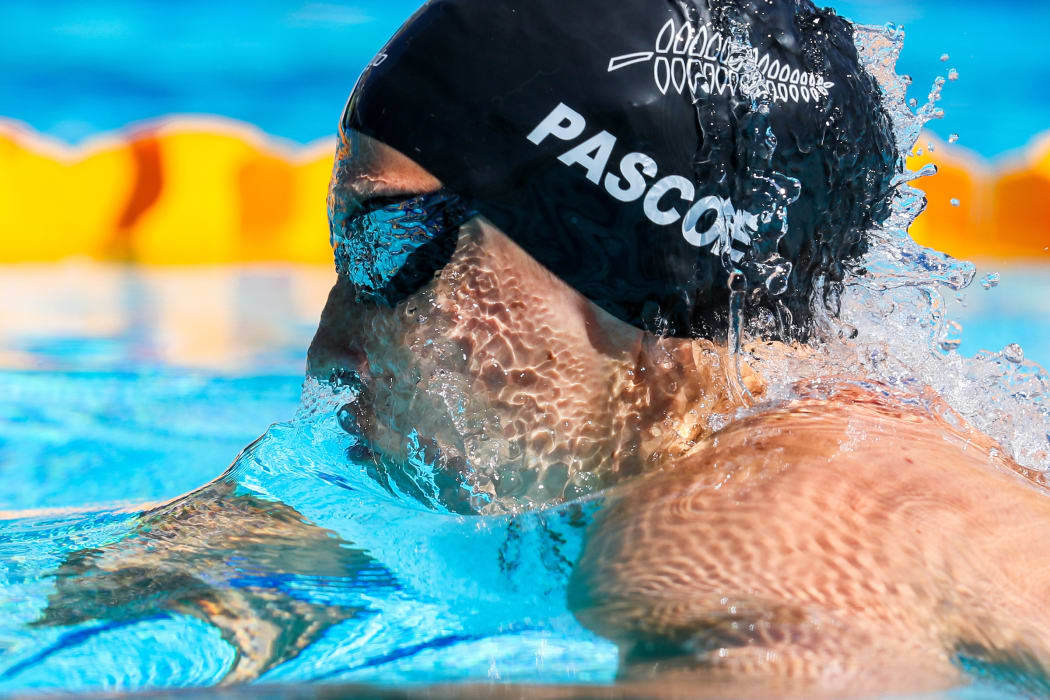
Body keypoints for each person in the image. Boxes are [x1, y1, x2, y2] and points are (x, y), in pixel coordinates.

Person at [306, 0, 1050, 695]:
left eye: (387, 241)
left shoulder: (747, 529)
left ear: (626, 267)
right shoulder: (879, 450)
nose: (330, 349)